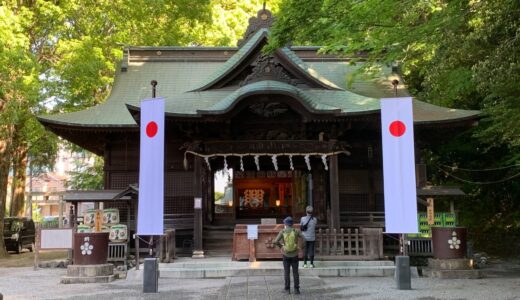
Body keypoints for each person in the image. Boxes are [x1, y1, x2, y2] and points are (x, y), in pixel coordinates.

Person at [274, 216, 305, 295]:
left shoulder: (283, 231)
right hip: (295, 254)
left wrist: (282, 247)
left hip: (286, 255)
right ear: (292, 224)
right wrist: (300, 247)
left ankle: (287, 289)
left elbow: (275, 241)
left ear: (286, 224)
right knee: (295, 273)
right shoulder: (296, 231)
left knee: (286, 272)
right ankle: (296, 289)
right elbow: (304, 239)